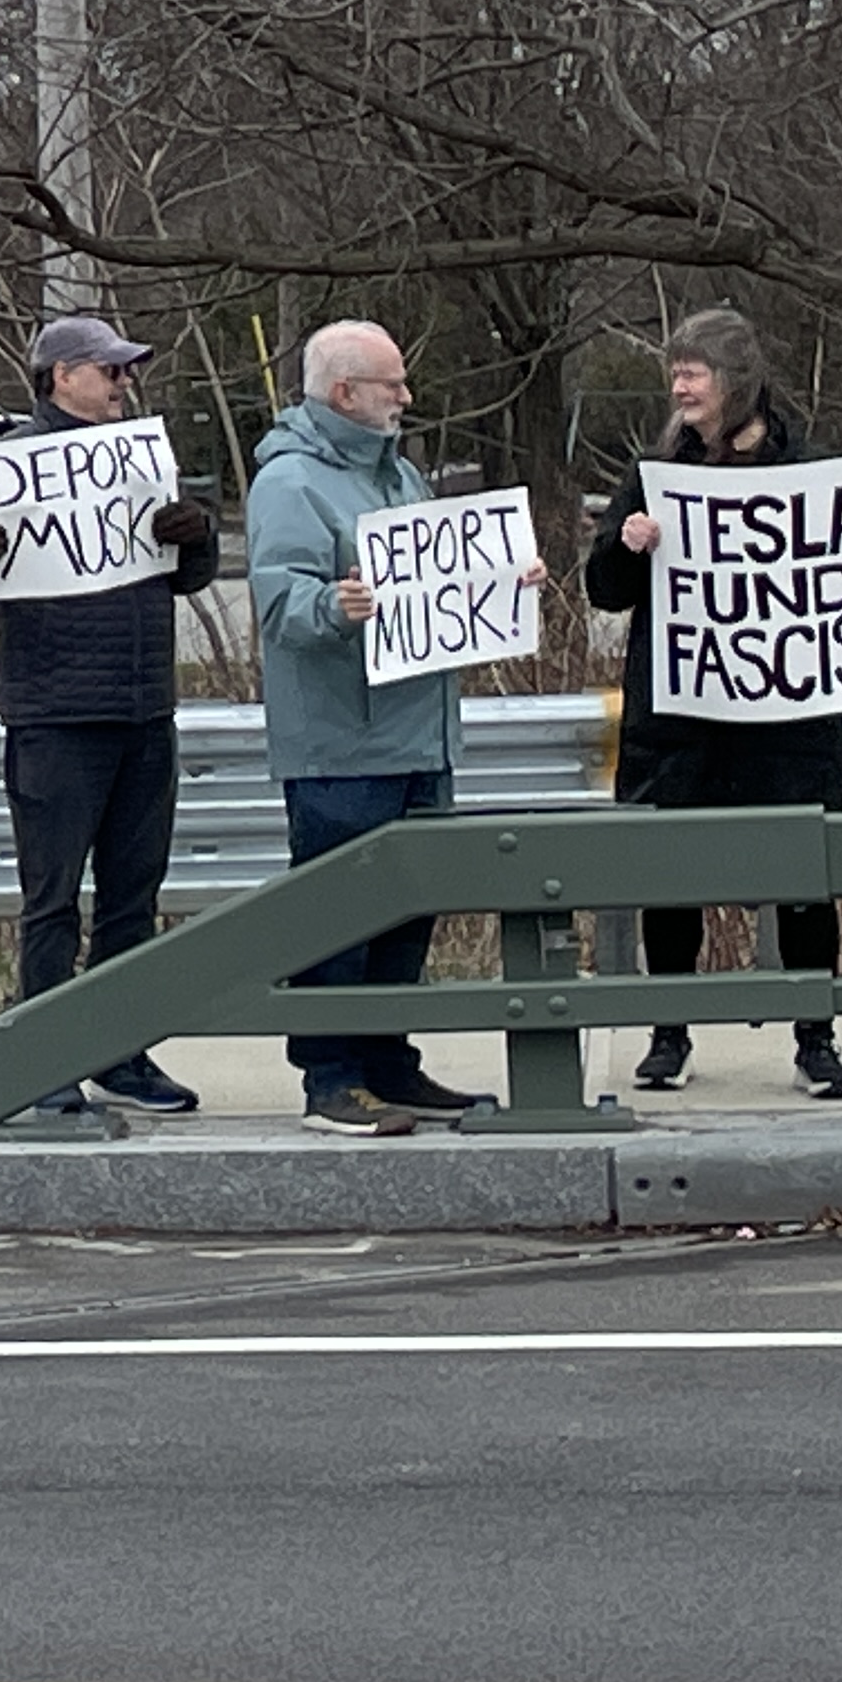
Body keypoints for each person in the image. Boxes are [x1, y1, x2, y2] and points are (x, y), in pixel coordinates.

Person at [584, 305, 842, 1102]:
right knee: (671, 882)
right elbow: (603, 591)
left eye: (694, 371)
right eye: (675, 371)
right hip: (681, 723)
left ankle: (816, 1037)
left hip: (786, 726)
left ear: (736, 382)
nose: (679, 385)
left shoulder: (811, 474)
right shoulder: (656, 475)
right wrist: (626, 545)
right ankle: (668, 1032)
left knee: (804, 879)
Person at [248, 320, 540, 1135]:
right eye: (393, 385)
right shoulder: (292, 484)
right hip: (343, 745)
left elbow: (438, 579)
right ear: (345, 393)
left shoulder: (400, 474)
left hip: (418, 734)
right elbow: (279, 604)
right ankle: (331, 1079)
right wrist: (332, 607)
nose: (407, 398)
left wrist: (506, 581)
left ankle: (388, 1063)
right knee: (338, 917)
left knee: (408, 914)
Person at [0, 315, 221, 1116]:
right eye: (110, 370)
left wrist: (196, 536)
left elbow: (189, 574)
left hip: (141, 706)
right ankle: (44, 1056)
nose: (125, 382)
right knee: (52, 899)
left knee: (133, 896)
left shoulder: (141, 459)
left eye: (127, 370)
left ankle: (121, 1051)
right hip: (53, 713)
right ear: (61, 377)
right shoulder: (4, 466)